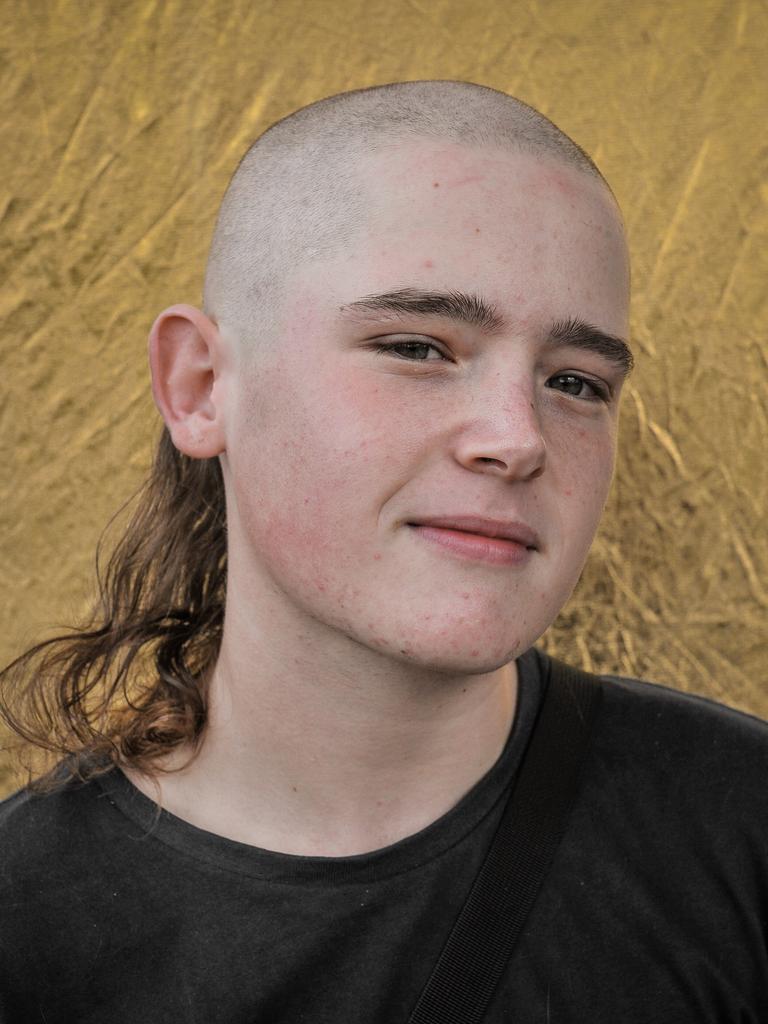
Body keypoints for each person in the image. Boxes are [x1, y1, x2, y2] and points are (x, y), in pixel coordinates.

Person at [0, 80, 766, 1023]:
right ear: (201, 386)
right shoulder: (29, 928)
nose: (517, 437)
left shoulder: (741, 831)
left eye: (575, 380)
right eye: (417, 347)